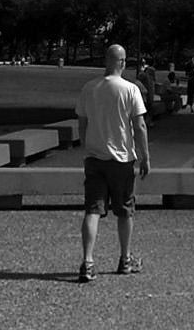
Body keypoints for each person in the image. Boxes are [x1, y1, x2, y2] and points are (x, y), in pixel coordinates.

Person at [74, 44, 149, 283]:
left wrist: (87, 146)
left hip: (95, 157)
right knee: (125, 211)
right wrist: (145, 155)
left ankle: (88, 262)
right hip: (122, 159)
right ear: (123, 62)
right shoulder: (131, 89)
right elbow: (139, 126)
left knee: (93, 210)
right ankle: (125, 259)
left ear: (106, 61)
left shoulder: (89, 88)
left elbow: (82, 122)